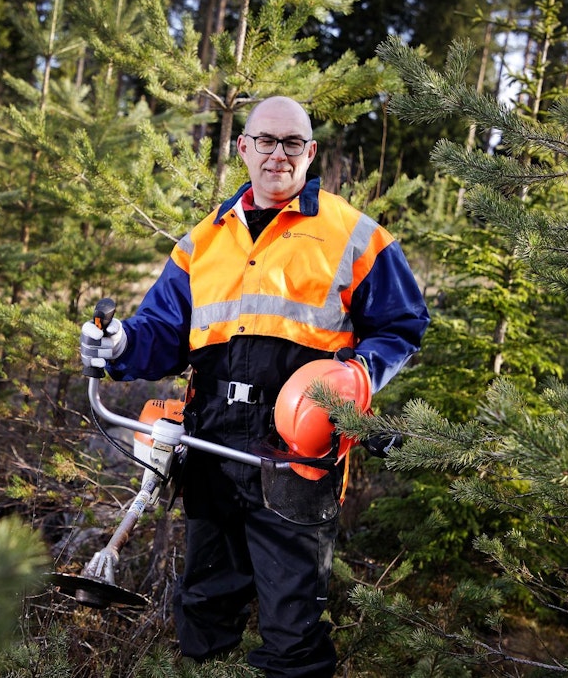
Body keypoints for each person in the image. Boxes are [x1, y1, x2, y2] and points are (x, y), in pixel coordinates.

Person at [81, 96, 430, 677]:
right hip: (210, 444)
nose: (278, 154)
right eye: (265, 140)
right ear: (243, 147)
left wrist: (360, 375)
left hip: (297, 453)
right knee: (203, 612)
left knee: (293, 634)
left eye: (293, 143)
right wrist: (117, 346)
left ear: (311, 152)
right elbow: (163, 330)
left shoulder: (353, 235)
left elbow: (402, 323)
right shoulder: (204, 241)